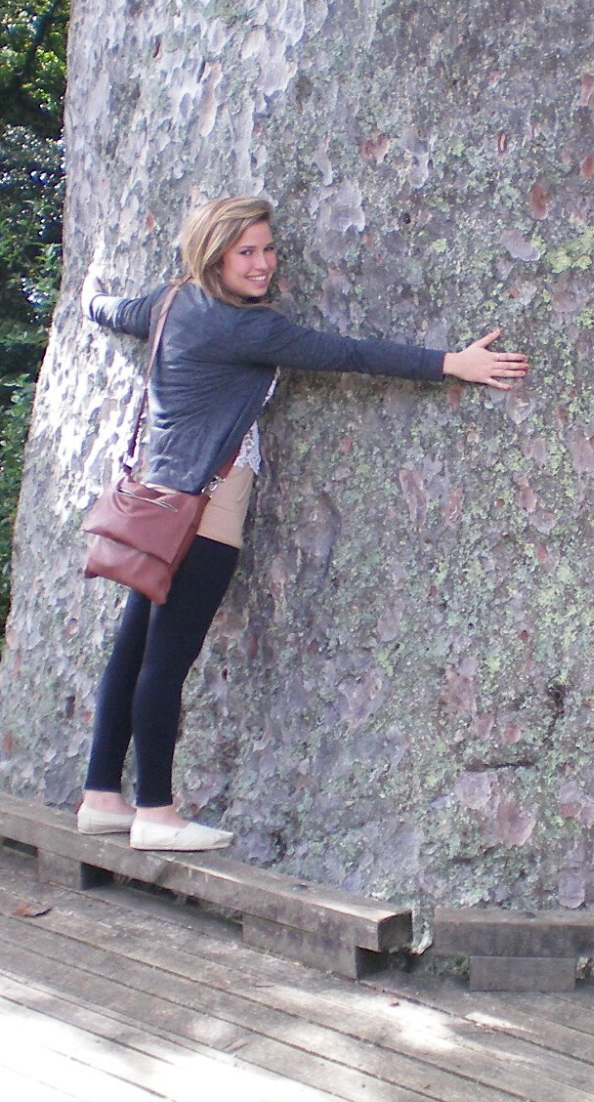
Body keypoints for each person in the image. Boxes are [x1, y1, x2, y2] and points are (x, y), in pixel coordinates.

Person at [78, 195, 526, 850]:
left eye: (267, 249)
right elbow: (348, 353)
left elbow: (116, 312)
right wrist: (452, 364)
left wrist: (89, 296)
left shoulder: (171, 303)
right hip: (205, 508)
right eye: (246, 252)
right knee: (164, 662)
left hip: (155, 502)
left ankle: (100, 797)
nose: (263, 264)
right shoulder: (244, 328)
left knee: (133, 650)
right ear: (216, 256)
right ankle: (154, 812)